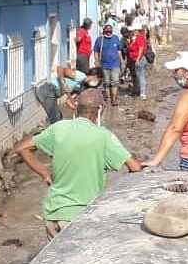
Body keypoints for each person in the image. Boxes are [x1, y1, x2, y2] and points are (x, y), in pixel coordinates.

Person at [15, 89, 143, 239]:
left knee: (54, 260)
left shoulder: (58, 128)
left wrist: (45, 174)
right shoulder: (104, 136)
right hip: (82, 216)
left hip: (53, 212)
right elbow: (135, 168)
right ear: (100, 110)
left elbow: (21, 148)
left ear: (76, 107)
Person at [93, 25, 124, 105]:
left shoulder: (116, 38)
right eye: (107, 31)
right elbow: (96, 51)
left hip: (115, 64)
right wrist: (96, 62)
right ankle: (108, 98)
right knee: (106, 83)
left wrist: (122, 61)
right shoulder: (100, 40)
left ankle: (113, 99)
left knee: (115, 82)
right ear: (104, 31)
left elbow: (119, 51)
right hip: (104, 65)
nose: (109, 33)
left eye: (110, 31)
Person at [129, 27, 149, 100]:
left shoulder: (140, 38)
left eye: (133, 30)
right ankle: (138, 91)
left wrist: (137, 59)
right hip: (134, 59)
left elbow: (141, 49)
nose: (132, 32)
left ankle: (143, 93)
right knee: (137, 76)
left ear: (137, 30)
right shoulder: (133, 39)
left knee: (141, 76)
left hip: (140, 60)